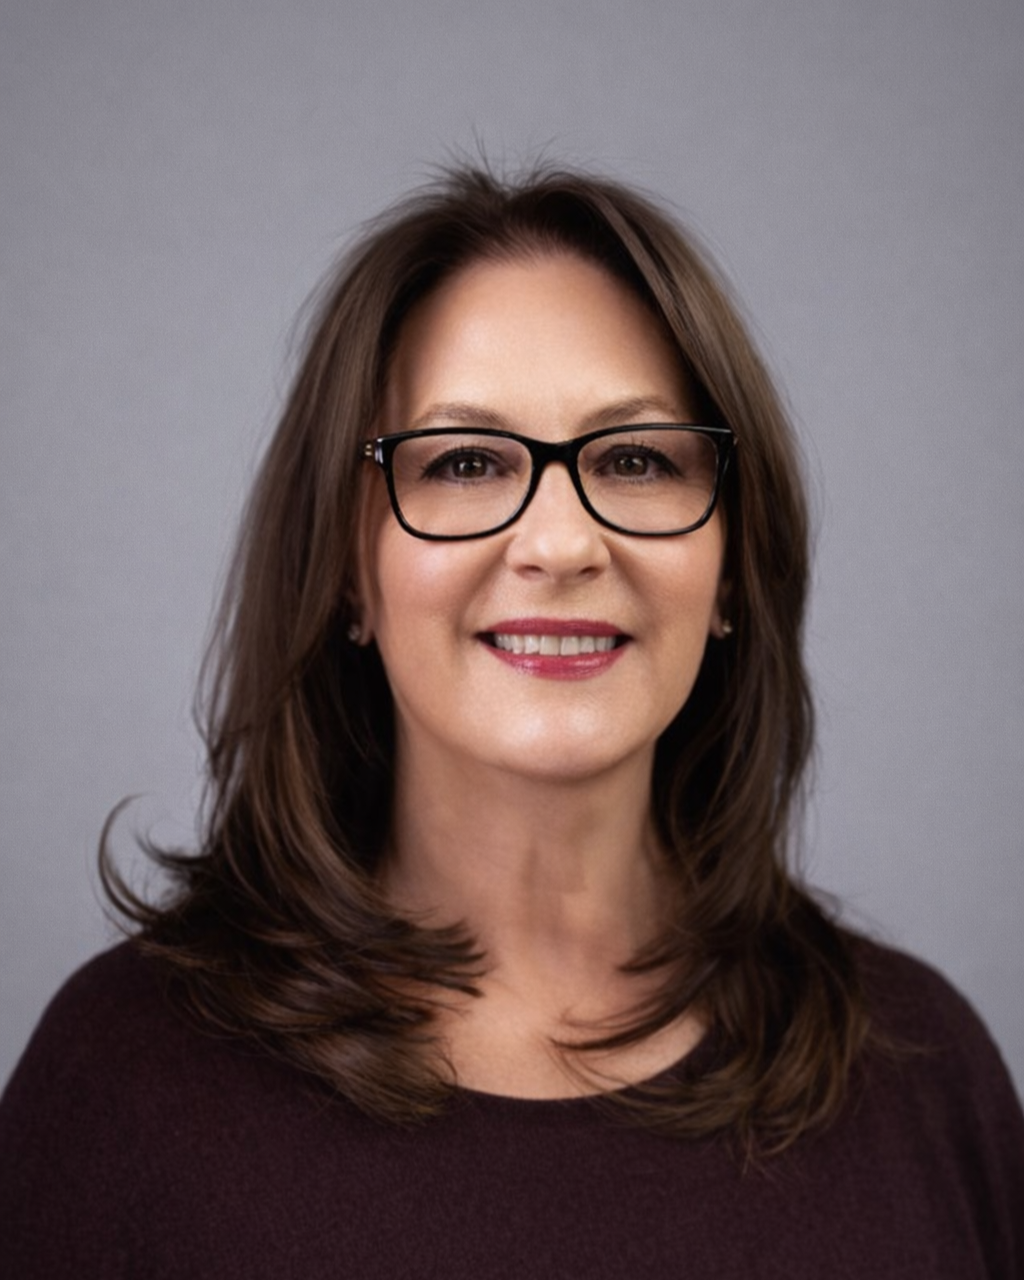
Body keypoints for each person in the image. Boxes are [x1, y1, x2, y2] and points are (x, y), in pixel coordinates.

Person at [1, 162, 1021, 1278]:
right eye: (466, 462)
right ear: (347, 563)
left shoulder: (925, 1079)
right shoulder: (122, 1087)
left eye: (634, 458)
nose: (559, 542)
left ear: (730, 566)